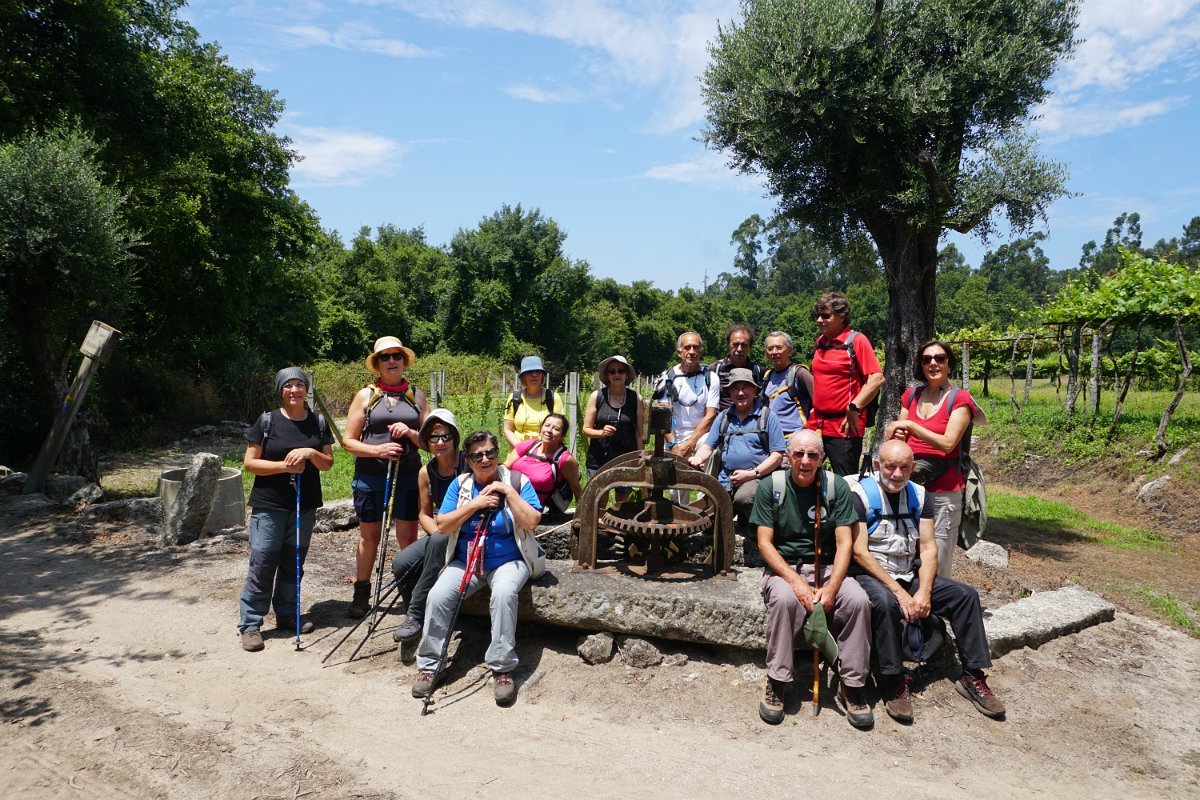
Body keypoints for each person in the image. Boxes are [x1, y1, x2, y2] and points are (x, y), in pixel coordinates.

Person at [849, 440, 1005, 722]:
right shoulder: (860, 495)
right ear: (877, 465)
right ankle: (893, 680)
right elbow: (859, 552)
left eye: (904, 468)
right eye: (890, 467)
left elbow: (929, 547)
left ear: (913, 468)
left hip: (907, 571)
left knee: (965, 596)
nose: (897, 474)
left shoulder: (920, 495)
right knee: (885, 603)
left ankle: (973, 675)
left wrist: (924, 591)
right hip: (872, 575)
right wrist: (900, 593)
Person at [748, 430, 874, 729]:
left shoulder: (836, 486)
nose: (805, 461)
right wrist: (796, 582)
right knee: (784, 600)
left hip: (827, 566)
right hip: (785, 568)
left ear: (822, 458)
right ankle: (777, 680)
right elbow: (764, 543)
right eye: (799, 454)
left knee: (858, 601)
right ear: (788, 456)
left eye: (812, 455)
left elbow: (845, 542)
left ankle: (852, 684)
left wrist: (832, 587)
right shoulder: (771, 486)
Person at [413, 431, 544, 706]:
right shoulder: (460, 485)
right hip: (466, 561)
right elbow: (442, 524)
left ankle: (502, 668)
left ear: (498, 453)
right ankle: (430, 666)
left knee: (504, 594)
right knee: (437, 596)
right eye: (477, 455)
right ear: (469, 460)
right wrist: (475, 504)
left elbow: (532, 521)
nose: (485, 459)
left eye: (490, 453)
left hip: (509, 560)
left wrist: (508, 492)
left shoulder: (517, 481)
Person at [237, 367, 335, 652]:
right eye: (288, 385)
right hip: (269, 504)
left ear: (307, 389)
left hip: (304, 505)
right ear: (280, 390)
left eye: (299, 385)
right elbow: (250, 463)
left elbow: (327, 463)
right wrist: (284, 466)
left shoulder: (317, 422)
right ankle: (251, 624)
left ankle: (287, 614)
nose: (294, 390)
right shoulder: (267, 421)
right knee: (263, 563)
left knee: (294, 562)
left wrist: (311, 453)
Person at [341, 336, 427, 619]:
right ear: (377, 364)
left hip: (408, 474)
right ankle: (361, 593)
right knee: (369, 536)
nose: (391, 361)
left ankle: (411, 593)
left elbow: (430, 441)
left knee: (408, 536)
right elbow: (348, 441)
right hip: (371, 475)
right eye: (385, 357)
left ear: (404, 361)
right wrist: (377, 450)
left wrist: (411, 432)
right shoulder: (365, 396)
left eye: (396, 356)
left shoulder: (417, 396)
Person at [885, 341, 985, 578]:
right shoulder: (912, 395)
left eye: (940, 358)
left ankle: (938, 600)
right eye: (927, 359)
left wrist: (911, 426)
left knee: (938, 559)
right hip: (909, 488)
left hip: (943, 492)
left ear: (949, 363)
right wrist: (898, 434)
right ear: (920, 365)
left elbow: (949, 443)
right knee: (905, 551)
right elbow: (902, 435)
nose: (933, 363)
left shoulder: (959, 399)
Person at [390, 408, 468, 645]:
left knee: (439, 540)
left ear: (454, 438)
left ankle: (415, 615)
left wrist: (441, 535)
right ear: (426, 441)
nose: (440, 442)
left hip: (470, 532)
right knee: (401, 563)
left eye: (446, 436)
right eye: (434, 437)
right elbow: (424, 513)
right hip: (442, 532)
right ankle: (420, 612)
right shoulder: (426, 472)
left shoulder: (468, 462)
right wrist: (437, 532)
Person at [688, 368, 784, 521]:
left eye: (745, 387)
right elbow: (708, 446)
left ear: (755, 390)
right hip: (726, 479)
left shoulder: (767, 416)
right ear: (729, 393)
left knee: (744, 498)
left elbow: (777, 456)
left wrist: (751, 474)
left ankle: (754, 525)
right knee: (707, 517)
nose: (740, 393)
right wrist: (698, 458)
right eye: (735, 388)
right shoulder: (724, 417)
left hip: (757, 477)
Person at [807, 292, 884, 476]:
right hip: (817, 422)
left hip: (844, 426)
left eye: (826, 316)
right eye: (817, 315)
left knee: (845, 480)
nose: (819, 320)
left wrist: (854, 407)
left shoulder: (856, 341)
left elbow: (876, 378)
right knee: (804, 472)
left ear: (841, 317)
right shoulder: (820, 342)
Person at [504, 413, 584, 518]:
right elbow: (504, 468)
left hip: (537, 511)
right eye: (547, 425)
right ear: (541, 428)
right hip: (508, 500)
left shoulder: (565, 459)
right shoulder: (528, 445)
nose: (549, 430)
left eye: (556, 429)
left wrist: (582, 516)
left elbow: (577, 489)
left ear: (562, 436)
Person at [582, 355, 645, 479]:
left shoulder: (636, 398)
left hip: (626, 458)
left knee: (624, 492)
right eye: (612, 371)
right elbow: (586, 430)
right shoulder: (596, 396)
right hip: (599, 458)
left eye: (621, 371)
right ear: (607, 375)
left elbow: (639, 433)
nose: (617, 374)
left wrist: (640, 457)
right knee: (599, 491)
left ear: (626, 374)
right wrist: (601, 433)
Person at [760, 331, 814, 440]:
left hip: (795, 440)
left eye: (779, 348)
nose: (774, 352)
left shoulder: (799, 374)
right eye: (770, 349)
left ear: (790, 351)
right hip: (772, 439)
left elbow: (820, 403)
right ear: (765, 353)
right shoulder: (767, 376)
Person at [503, 355, 556, 449]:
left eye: (538, 371)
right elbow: (507, 430)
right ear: (523, 376)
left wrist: (537, 449)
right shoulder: (514, 397)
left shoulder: (553, 397)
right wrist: (521, 448)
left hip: (545, 450)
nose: (534, 375)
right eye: (530, 372)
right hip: (518, 452)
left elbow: (558, 429)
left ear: (542, 375)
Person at [711, 325, 765, 411]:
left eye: (744, 345)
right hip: (722, 418)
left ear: (750, 347)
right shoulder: (715, 369)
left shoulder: (759, 371)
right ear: (728, 345)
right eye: (735, 344)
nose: (739, 349)